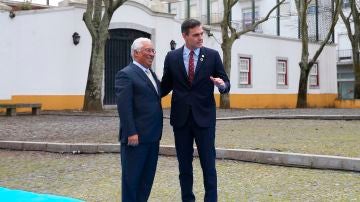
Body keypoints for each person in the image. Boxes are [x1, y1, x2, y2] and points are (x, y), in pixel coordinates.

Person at [161, 19, 230, 202]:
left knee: (208, 166)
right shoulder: (172, 57)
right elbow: (165, 86)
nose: (201, 38)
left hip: (205, 119)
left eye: (202, 34)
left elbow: (225, 82)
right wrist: (145, 95)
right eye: (196, 35)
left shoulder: (213, 55)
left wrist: (222, 85)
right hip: (181, 120)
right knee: (184, 167)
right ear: (185, 36)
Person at [115, 37, 162, 202]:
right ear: (136, 53)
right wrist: (131, 132)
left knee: (146, 181)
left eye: (153, 50)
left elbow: (157, 94)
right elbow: (124, 107)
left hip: (152, 137)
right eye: (147, 50)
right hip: (135, 139)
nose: (152, 54)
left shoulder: (150, 74)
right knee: (131, 181)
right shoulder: (126, 74)